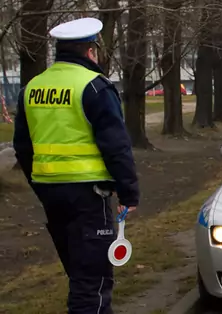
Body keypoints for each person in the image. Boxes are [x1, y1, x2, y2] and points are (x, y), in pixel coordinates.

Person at [12, 17, 140, 313]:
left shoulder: (33, 87)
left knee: (78, 272)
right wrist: (129, 193)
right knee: (92, 282)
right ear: (90, 50)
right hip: (89, 197)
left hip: (50, 194)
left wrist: (40, 183)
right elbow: (116, 146)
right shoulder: (94, 86)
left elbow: (22, 146)